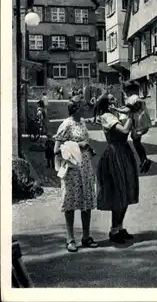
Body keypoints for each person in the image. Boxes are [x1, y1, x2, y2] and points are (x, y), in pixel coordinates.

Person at [53, 95, 98, 253]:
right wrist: (78, 144)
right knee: (71, 204)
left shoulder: (82, 122)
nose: (85, 108)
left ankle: (86, 237)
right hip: (72, 170)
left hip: (85, 168)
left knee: (86, 202)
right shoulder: (66, 124)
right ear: (75, 109)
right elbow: (56, 149)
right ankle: (70, 239)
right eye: (82, 106)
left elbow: (84, 142)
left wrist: (89, 148)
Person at [96, 93, 140, 244]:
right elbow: (124, 131)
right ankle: (114, 230)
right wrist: (131, 115)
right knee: (119, 191)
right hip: (115, 153)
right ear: (107, 104)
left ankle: (120, 227)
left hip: (124, 151)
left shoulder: (116, 113)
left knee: (126, 189)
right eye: (112, 99)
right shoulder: (107, 116)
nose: (115, 99)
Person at [112, 81, 152, 174]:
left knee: (135, 141)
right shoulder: (136, 98)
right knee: (136, 141)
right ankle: (144, 160)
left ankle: (144, 159)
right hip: (143, 124)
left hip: (140, 124)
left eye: (125, 91)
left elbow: (126, 110)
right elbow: (129, 108)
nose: (124, 94)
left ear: (128, 91)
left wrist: (115, 109)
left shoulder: (132, 98)